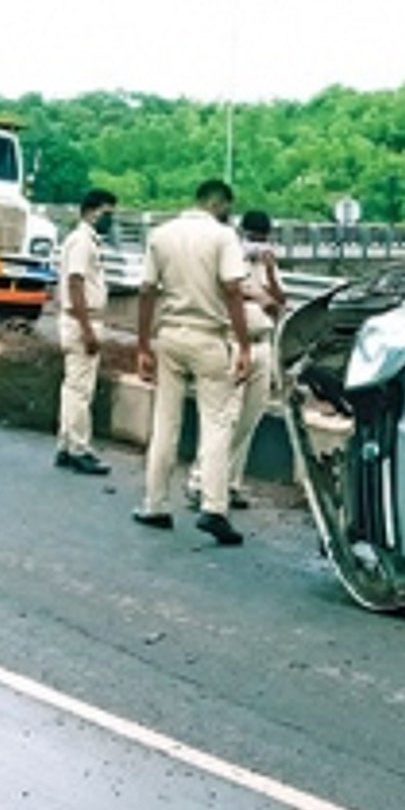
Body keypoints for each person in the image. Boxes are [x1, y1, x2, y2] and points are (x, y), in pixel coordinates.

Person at [132, 179, 251, 546]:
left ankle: (155, 504)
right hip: (207, 337)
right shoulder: (222, 237)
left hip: (169, 335)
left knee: (165, 422)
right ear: (220, 203)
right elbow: (233, 290)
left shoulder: (161, 234)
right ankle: (214, 507)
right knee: (215, 424)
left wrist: (142, 346)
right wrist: (244, 344)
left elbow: (146, 291)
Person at [185, 209, 286, 509]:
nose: (258, 244)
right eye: (254, 238)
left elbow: (280, 300)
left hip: (262, 343)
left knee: (249, 418)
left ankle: (229, 482)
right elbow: (225, 292)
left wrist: (269, 272)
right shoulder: (229, 256)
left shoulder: (267, 262)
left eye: (262, 239)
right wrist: (257, 296)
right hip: (232, 343)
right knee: (225, 418)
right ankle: (200, 480)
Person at [54, 188, 116, 475]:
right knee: (81, 390)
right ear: (91, 212)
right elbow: (75, 283)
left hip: (78, 319)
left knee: (72, 388)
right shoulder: (82, 242)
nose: (110, 219)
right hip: (83, 319)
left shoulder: (83, 240)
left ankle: (67, 445)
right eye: (107, 213)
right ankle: (79, 448)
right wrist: (87, 328)